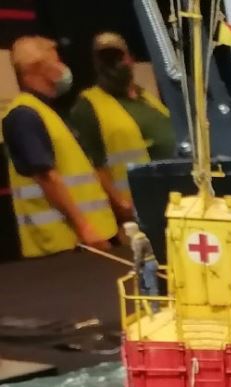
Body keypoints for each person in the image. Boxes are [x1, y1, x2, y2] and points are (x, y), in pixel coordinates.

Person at [1, 36, 117, 257]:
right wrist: (84, 227)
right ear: (37, 69)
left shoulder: (45, 111)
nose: (63, 69)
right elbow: (47, 177)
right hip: (64, 244)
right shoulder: (24, 115)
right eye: (56, 62)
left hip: (83, 240)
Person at [68, 32, 174, 224]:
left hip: (174, 197)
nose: (114, 65)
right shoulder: (88, 105)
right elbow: (93, 164)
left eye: (118, 57)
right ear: (97, 64)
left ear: (130, 59)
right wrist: (120, 203)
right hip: (138, 208)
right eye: (107, 60)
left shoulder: (146, 97)